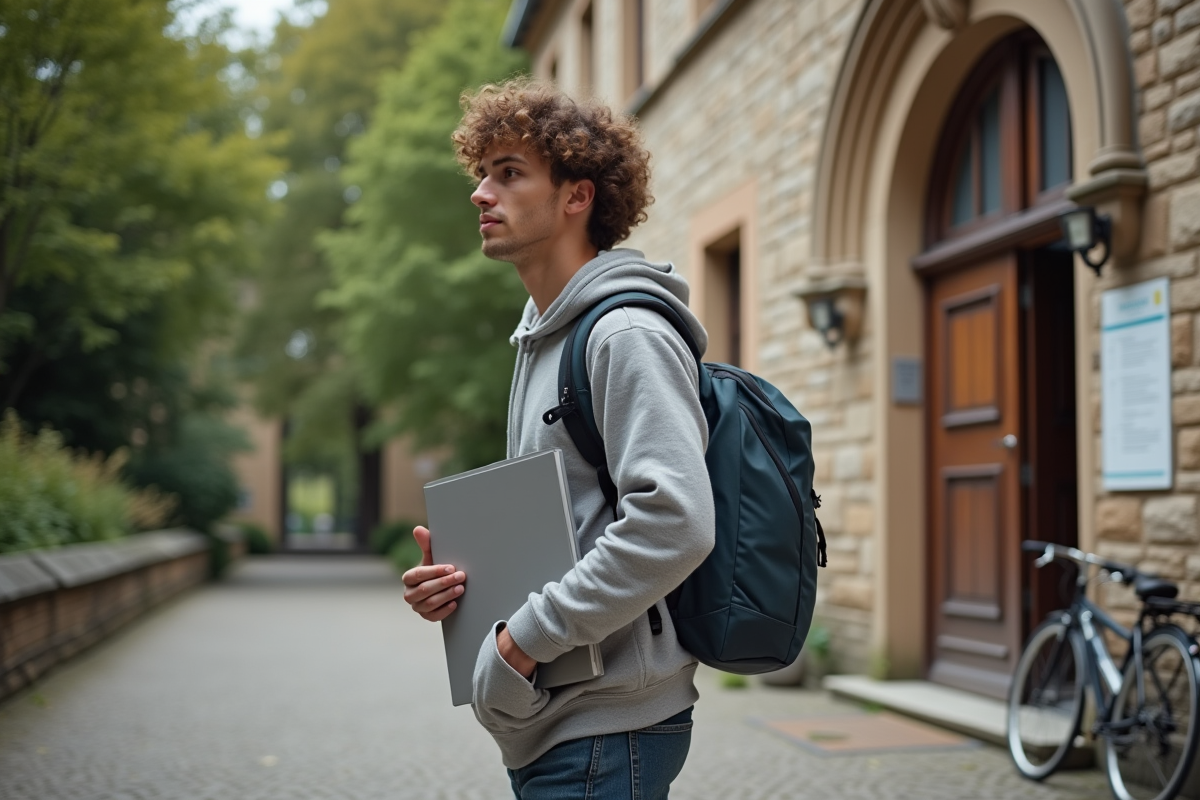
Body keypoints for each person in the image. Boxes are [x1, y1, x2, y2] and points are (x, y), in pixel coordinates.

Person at [401, 78, 716, 800]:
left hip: (606, 731)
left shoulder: (623, 334)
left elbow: (676, 523)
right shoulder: (545, 338)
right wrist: (462, 586)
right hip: (557, 722)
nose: (482, 193)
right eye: (482, 174)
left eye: (509, 174)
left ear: (577, 196)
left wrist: (521, 640)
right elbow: (568, 522)